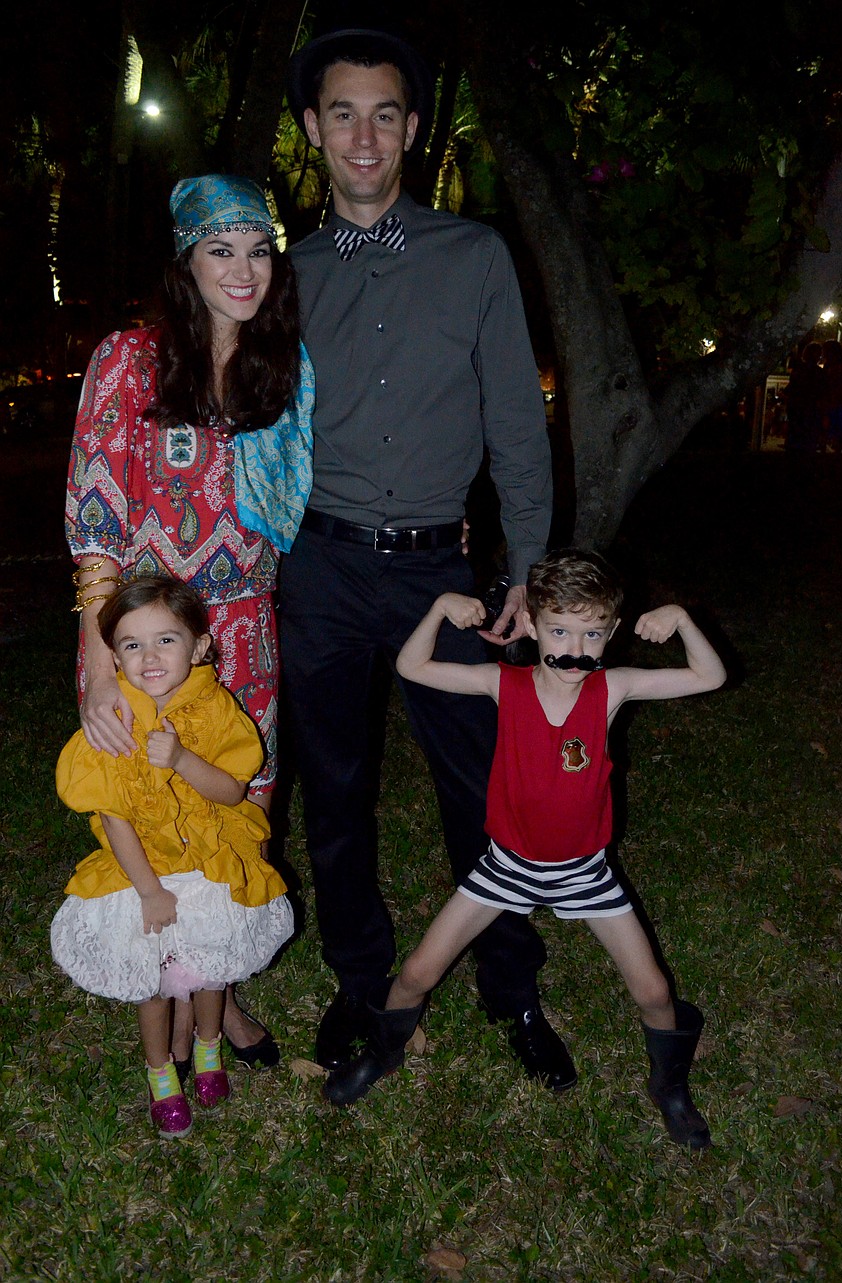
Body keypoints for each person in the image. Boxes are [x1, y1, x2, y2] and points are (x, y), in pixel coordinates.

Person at [280, 18, 567, 1086]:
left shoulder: (474, 256)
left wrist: (525, 573)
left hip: (439, 577)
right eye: (342, 113)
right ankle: (360, 981)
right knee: (336, 789)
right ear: (313, 129)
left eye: (385, 114)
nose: (364, 135)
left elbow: (516, 429)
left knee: (482, 786)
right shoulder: (284, 276)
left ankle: (511, 985)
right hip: (318, 569)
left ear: (409, 131)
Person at [323, 550, 726, 1151]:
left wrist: (683, 621)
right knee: (416, 972)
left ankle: (669, 1087)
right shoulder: (500, 682)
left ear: (612, 633)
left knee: (655, 992)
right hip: (504, 867)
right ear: (533, 626)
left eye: (592, 633)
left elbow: (709, 677)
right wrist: (437, 608)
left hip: (584, 873)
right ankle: (384, 1054)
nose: (575, 648)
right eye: (560, 630)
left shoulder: (612, 688)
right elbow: (413, 667)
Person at [65, 173, 314, 1074]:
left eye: (258, 251)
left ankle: (223, 980)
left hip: (246, 635)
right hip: (142, 643)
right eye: (221, 249)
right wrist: (101, 665)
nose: (243, 270)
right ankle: (168, 976)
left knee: (240, 802)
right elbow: (96, 521)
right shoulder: (129, 358)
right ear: (186, 260)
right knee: (153, 805)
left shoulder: (280, 369)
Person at [51, 578, 295, 1138]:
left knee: (213, 965)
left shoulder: (216, 710)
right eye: (132, 645)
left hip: (209, 860)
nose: (150, 657)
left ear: (201, 647)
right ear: (113, 658)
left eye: (166, 640)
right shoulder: (112, 724)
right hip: (147, 871)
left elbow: (234, 790)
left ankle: (208, 1047)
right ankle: (161, 1072)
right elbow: (114, 817)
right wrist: (149, 891)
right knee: (152, 979)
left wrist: (183, 758)